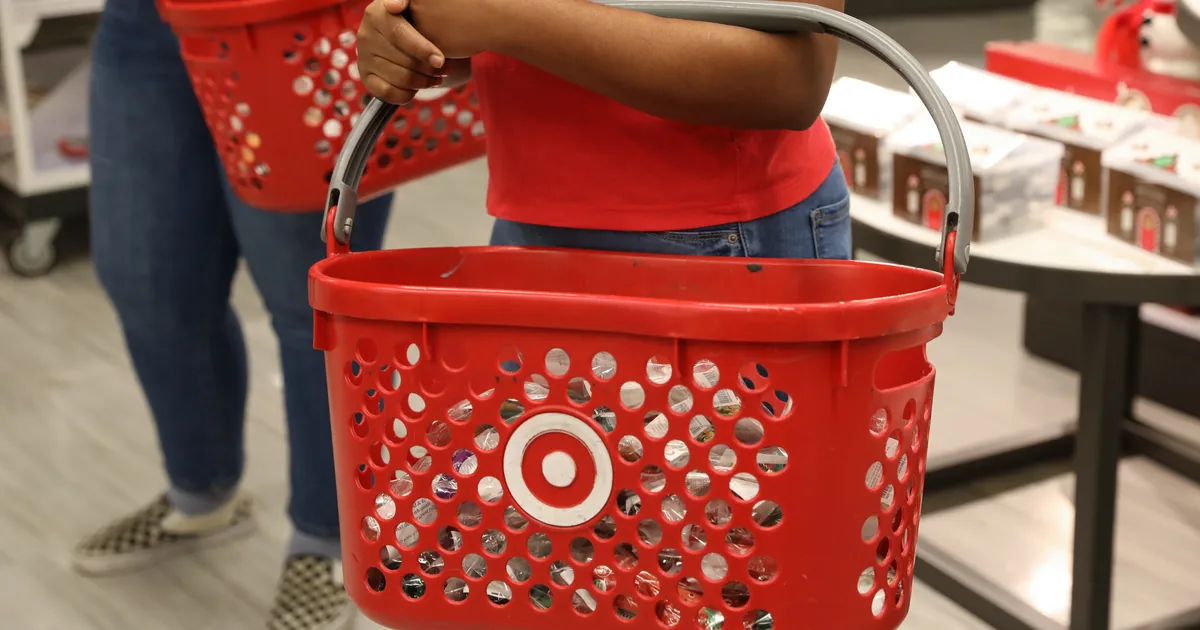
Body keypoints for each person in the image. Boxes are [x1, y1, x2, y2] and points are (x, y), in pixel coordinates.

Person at [73, 1, 393, 629]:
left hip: (302, 19)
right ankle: (201, 491)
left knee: (313, 300)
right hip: (147, 19)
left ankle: (329, 542)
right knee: (146, 275)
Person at [356, 0, 849, 259]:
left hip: (726, 237)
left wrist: (503, 15)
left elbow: (791, 80)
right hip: (531, 226)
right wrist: (413, 34)